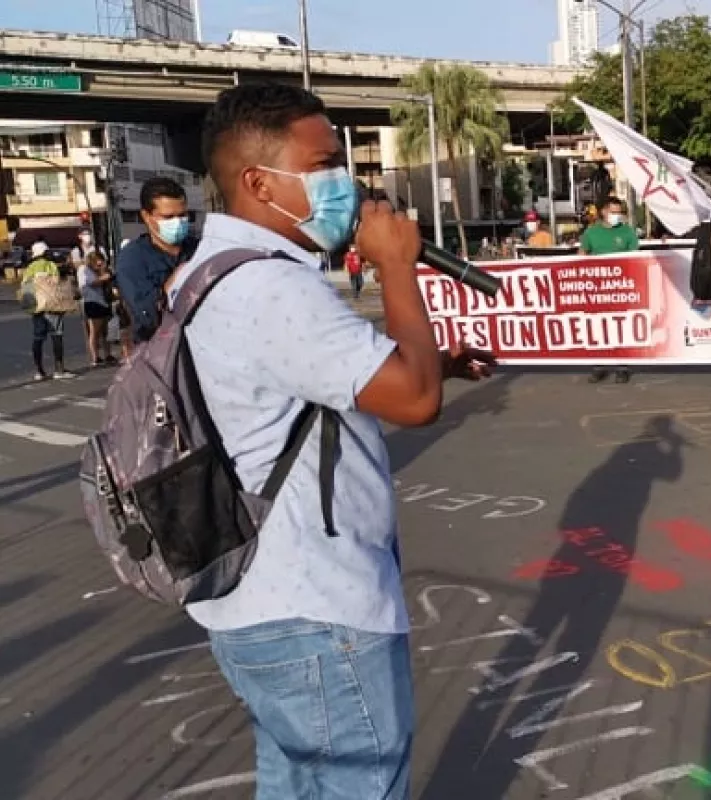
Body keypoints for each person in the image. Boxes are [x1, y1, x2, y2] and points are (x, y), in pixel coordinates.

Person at [179, 82, 494, 797]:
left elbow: (300, 384)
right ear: (258, 181)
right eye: (323, 164)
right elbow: (414, 403)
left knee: (295, 784)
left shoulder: (209, 273)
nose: (345, 183)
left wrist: (430, 361)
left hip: (258, 601)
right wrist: (396, 266)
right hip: (316, 608)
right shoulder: (271, 290)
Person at [116, 176, 199, 343]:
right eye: (168, 217)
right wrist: (175, 281)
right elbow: (147, 315)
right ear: (147, 216)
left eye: (182, 215)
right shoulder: (133, 258)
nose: (178, 222)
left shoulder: (199, 248)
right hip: (160, 352)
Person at [579, 196, 640, 384]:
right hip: (597, 288)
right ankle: (599, 365)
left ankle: (623, 366)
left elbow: (636, 258)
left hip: (621, 288)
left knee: (621, 326)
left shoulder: (628, 232)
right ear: (604, 212)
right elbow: (582, 256)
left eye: (619, 212)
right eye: (614, 212)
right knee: (598, 327)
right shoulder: (591, 232)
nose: (617, 215)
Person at [20, 241, 75, 380]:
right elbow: (56, 284)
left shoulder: (30, 268)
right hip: (52, 306)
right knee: (56, 335)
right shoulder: (50, 265)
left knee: (38, 338)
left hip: (37, 308)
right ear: (45, 253)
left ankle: (39, 371)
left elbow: (26, 288)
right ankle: (59, 369)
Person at [78, 251, 116, 367]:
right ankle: (95, 357)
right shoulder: (84, 270)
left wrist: (103, 270)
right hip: (93, 302)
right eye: (97, 261)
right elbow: (91, 283)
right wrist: (104, 277)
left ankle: (108, 354)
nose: (99, 264)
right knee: (95, 331)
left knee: (106, 330)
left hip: (104, 301)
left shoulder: (100, 270)